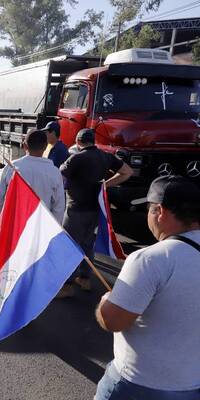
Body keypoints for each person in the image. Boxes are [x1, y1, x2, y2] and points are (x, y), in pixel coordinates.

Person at [94, 175, 200, 399]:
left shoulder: (151, 259)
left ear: (160, 211)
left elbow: (113, 320)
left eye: (149, 210)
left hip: (137, 384)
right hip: (191, 384)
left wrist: (105, 301)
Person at [58, 128, 133, 297]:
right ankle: (85, 279)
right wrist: (105, 184)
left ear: (78, 142)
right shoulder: (105, 156)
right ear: (93, 141)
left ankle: (67, 286)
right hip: (95, 208)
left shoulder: (76, 158)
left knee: (70, 246)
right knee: (87, 244)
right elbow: (127, 171)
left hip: (75, 208)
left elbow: (60, 175)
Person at [0, 129, 65, 222]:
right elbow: (59, 207)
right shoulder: (54, 172)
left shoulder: (12, 168)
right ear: (46, 147)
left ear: (24, 146)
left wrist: (3, 221)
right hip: (41, 227)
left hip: (16, 226)